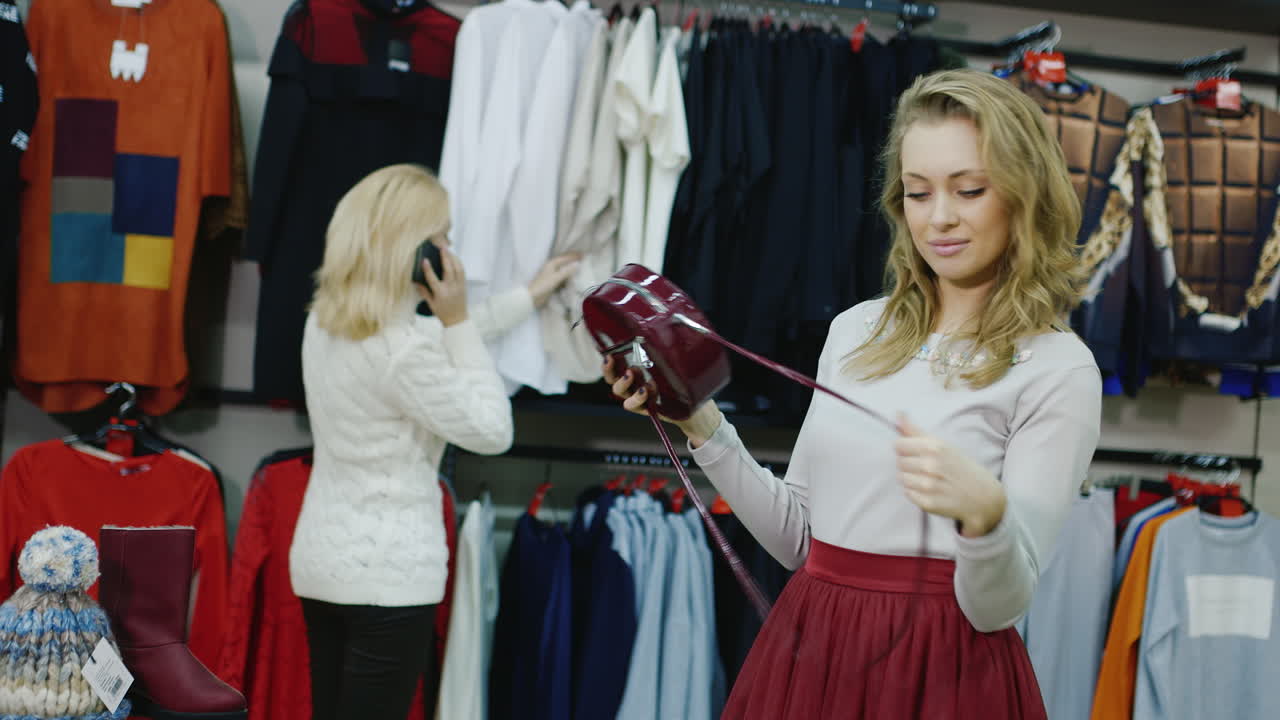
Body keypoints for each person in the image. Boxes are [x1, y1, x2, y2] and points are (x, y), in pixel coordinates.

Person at [606, 69, 1102, 719]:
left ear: (1024, 194)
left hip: (942, 675)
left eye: (970, 189)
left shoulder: (1057, 369)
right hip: (813, 650)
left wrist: (986, 518)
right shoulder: (857, 331)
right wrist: (701, 424)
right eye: (919, 193)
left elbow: (999, 606)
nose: (940, 218)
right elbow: (800, 542)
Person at [288, 163, 580, 720]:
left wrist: (525, 296)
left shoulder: (325, 325)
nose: (449, 248)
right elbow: (494, 431)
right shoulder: (405, 352)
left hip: (322, 564)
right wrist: (459, 322)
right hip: (390, 576)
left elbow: (437, 336)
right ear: (412, 246)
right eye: (442, 235)